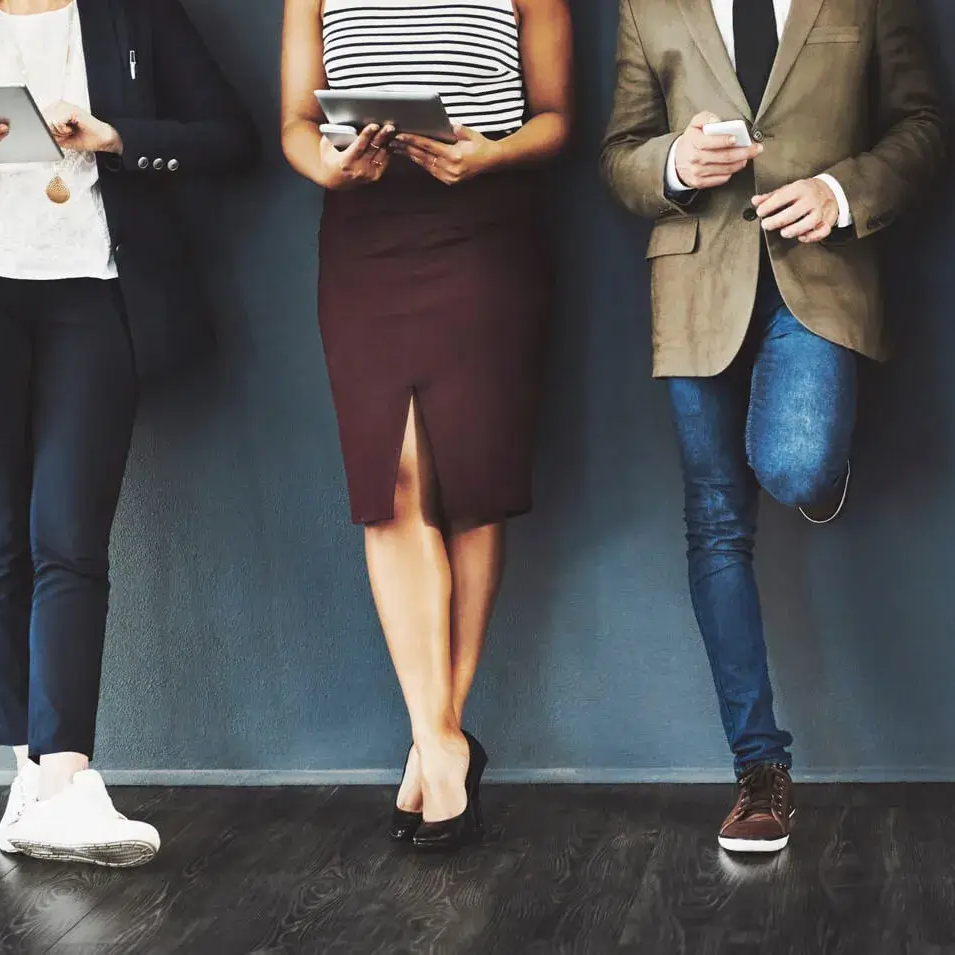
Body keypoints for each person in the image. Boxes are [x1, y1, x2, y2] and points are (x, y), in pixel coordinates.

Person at [601, 0, 942, 853]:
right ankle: (761, 771)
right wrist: (673, 163)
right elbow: (618, 154)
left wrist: (840, 191)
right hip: (693, 283)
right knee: (716, 523)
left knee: (796, 466)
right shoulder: (648, 5)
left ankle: (824, 473)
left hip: (820, 270)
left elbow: (925, 124)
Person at [0, 0, 256, 866]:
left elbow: (232, 138)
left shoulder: (135, 13)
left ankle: (68, 778)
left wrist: (115, 137)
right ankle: (33, 779)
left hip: (92, 289)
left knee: (69, 537)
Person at [280, 0, 571, 852]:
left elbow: (555, 118)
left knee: (470, 485)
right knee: (392, 485)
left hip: (486, 229)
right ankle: (443, 742)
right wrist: (328, 169)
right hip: (365, 234)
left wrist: (489, 153)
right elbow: (298, 122)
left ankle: (434, 743)